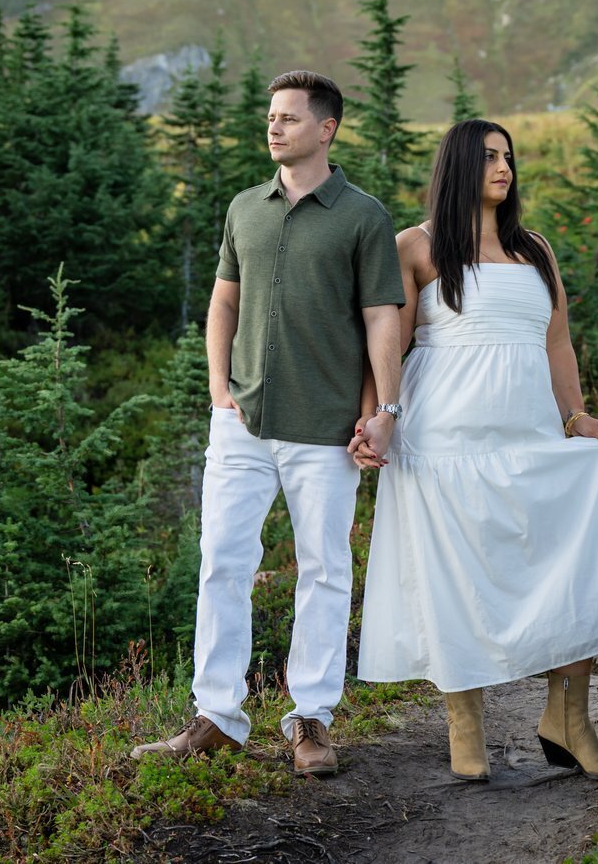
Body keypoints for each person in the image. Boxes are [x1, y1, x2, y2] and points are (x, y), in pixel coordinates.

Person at [354, 118, 598, 782]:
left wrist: (574, 414)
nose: (504, 167)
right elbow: (389, 343)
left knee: (570, 559)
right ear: (460, 164)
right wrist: (377, 418)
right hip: (443, 438)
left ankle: (567, 720)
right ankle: (465, 730)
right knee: (452, 579)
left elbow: (556, 343)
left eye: (509, 156)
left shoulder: (535, 249)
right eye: (490, 156)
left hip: (527, 433)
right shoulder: (417, 246)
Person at [132, 70, 404, 776]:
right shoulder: (243, 208)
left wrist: (384, 412)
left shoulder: (363, 216)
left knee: (323, 570)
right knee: (222, 563)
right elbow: (224, 302)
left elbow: (382, 318)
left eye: (288, 117)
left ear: (326, 129)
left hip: (326, 431)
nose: (273, 127)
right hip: (242, 424)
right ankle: (216, 718)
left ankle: (309, 720)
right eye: (270, 117)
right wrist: (219, 386)